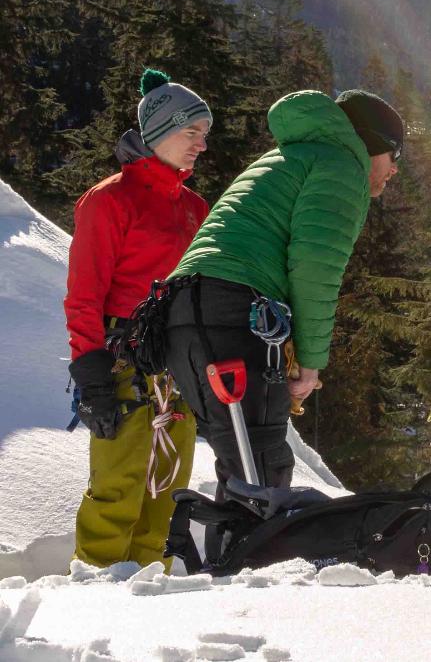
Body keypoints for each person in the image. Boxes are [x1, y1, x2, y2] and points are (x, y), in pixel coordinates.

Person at [163, 89, 402, 503]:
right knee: (262, 472)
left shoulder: (286, 158)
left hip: (183, 313)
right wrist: (310, 363)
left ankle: (229, 564)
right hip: (234, 314)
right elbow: (314, 268)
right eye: (394, 153)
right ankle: (246, 564)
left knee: (243, 470)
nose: (395, 169)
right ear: (369, 143)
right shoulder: (341, 165)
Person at [65, 69, 211, 568]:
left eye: (204, 135)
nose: (201, 145)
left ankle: (150, 603)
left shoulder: (195, 207)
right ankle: (92, 601)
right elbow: (84, 295)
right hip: (122, 362)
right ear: (161, 130)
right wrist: (91, 372)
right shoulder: (109, 200)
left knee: (166, 498)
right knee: (117, 491)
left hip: (178, 368)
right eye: (192, 132)